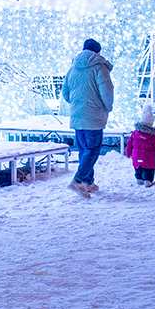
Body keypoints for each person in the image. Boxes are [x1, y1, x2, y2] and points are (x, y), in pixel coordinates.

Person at [61, 38, 114, 197]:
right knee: (92, 149)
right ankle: (79, 181)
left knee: (84, 150)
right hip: (94, 114)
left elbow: (65, 93)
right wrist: (107, 107)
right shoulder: (99, 67)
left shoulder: (72, 68)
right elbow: (107, 91)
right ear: (97, 52)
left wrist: (77, 104)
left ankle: (88, 183)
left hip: (77, 115)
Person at [126, 102, 155, 186]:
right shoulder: (153, 136)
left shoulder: (135, 133)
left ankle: (139, 179)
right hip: (148, 158)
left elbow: (129, 143)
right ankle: (147, 181)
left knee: (138, 169)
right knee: (148, 170)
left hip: (136, 157)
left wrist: (128, 153)